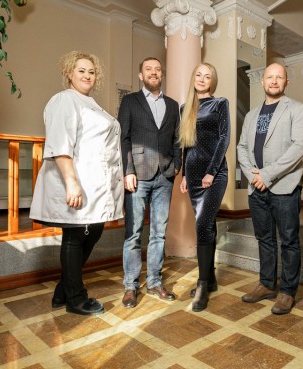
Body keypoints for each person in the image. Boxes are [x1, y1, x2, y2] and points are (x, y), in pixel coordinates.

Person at [30, 51, 123, 316]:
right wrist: (71, 182)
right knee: (75, 236)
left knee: (93, 231)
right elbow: (60, 144)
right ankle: (76, 299)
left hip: (95, 184)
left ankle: (63, 290)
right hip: (77, 180)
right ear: (69, 73)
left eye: (91, 72)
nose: (87, 75)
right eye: (81, 70)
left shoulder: (91, 104)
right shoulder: (64, 100)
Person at [237, 63, 303, 315]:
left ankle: (287, 291)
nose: (274, 81)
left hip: (284, 187)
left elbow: (299, 148)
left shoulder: (297, 110)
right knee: (264, 238)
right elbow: (241, 148)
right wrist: (252, 175)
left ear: (286, 82)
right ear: (263, 81)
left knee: (289, 240)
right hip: (256, 189)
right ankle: (267, 284)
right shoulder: (251, 115)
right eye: (270, 77)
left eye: (280, 77)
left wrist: (266, 175)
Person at [117, 57, 181, 308]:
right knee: (133, 233)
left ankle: (154, 282)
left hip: (165, 176)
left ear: (161, 74)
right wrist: (127, 170)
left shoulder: (172, 105)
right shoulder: (130, 101)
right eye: (148, 69)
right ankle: (131, 286)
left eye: (157, 69)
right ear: (141, 75)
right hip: (137, 175)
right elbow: (124, 138)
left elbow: (177, 139)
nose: (154, 72)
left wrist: (177, 165)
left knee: (159, 233)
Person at [179, 63, 230, 312]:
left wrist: (211, 171)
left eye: (207, 76)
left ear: (212, 81)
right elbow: (186, 145)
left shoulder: (220, 104)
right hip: (193, 173)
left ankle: (201, 285)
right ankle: (210, 279)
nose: (201, 79)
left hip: (215, 173)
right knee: (207, 224)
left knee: (202, 225)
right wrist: (184, 174)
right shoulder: (185, 108)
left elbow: (224, 138)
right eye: (198, 75)